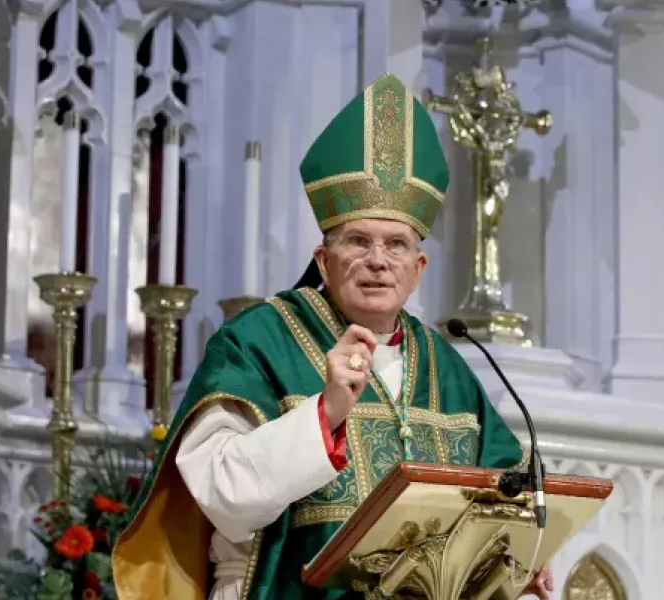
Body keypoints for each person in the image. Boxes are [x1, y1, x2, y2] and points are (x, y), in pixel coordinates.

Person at [111, 73, 553, 600]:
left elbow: (500, 494)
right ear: (324, 259)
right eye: (358, 240)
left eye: (395, 245)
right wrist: (325, 415)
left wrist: (522, 555)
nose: (377, 261)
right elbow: (222, 496)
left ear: (418, 268)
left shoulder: (447, 366)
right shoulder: (257, 342)